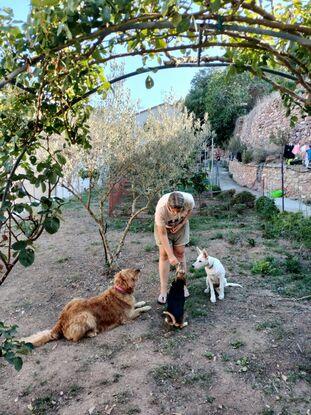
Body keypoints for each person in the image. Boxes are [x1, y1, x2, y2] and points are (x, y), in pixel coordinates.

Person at [154, 191, 195, 304]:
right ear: (168, 205)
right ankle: (163, 291)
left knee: (180, 253)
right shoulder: (161, 209)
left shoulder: (189, 200)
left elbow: (190, 211)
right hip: (164, 228)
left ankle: (182, 286)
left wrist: (181, 224)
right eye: (173, 211)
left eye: (179, 211)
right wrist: (171, 256)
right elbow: (162, 234)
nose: (176, 214)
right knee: (164, 255)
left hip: (180, 226)